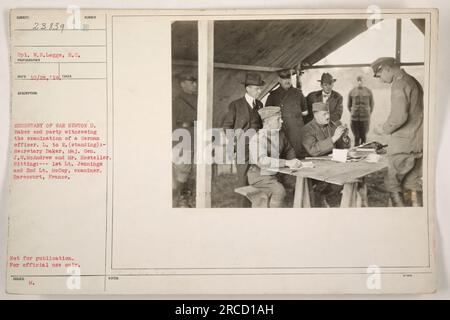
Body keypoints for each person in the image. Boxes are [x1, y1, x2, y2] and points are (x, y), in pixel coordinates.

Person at [370, 57, 423, 207]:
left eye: (379, 76)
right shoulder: (412, 81)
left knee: (392, 183)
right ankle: (416, 217)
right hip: (418, 143)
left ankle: (400, 218)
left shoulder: (399, 84)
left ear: (386, 69)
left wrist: (383, 129)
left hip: (403, 146)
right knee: (412, 183)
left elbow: (399, 117)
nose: (380, 80)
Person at [222, 72, 265, 207]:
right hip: (242, 146)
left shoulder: (259, 104)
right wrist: (234, 145)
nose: (260, 90)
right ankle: (241, 208)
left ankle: (256, 204)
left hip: (258, 146)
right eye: (257, 88)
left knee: (257, 176)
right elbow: (227, 126)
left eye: (260, 88)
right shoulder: (235, 105)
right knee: (243, 179)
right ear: (248, 88)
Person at [248, 106, 302, 208]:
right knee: (279, 191)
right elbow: (262, 161)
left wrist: (293, 161)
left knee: (297, 183)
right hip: (260, 176)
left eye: (281, 118)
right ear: (267, 122)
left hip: (277, 172)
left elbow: (289, 149)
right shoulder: (258, 138)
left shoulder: (280, 134)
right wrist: (287, 163)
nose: (281, 121)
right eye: (278, 119)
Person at [301, 102, 351, 206]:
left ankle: (331, 197)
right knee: (340, 180)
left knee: (351, 175)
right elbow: (313, 150)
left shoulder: (332, 125)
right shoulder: (307, 129)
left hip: (333, 163)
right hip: (316, 166)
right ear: (315, 115)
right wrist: (334, 138)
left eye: (328, 113)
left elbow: (343, 147)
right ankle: (323, 196)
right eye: (324, 114)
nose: (328, 116)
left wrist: (345, 137)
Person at [265, 68, 308, 158]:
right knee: (280, 156)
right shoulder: (273, 95)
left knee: (297, 156)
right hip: (280, 131)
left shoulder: (298, 93)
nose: (287, 81)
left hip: (296, 132)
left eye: (289, 78)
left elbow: (305, 112)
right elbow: (267, 115)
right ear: (279, 80)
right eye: (284, 79)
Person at [172, 73, 198, 208]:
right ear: (182, 84)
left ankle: (188, 198)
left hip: (196, 137)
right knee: (183, 170)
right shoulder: (177, 102)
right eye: (191, 82)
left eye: (195, 82)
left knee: (194, 170)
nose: (195, 84)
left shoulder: (199, 100)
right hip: (182, 139)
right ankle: (181, 200)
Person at [348, 75, 375, 146]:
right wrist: (353, 113)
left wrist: (367, 114)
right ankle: (355, 154)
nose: (360, 82)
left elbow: (372, 104)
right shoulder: (352, 92)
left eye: (361, 81)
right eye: (358, 81)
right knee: (356, 137)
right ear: (356, 81)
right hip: (354, 118)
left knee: (363, 137)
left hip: (365, 118)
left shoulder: (368, 91)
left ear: (363, 81)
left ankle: (363, 154)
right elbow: (349, 105)